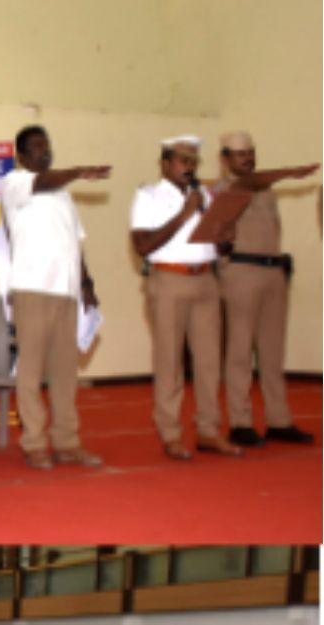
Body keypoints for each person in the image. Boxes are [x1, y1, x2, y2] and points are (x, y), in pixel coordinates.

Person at [1, 125, 110, 470]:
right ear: (21, 156)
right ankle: (34, 443)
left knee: (65, 372)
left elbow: (75, 241)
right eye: (36, 147)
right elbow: (43, 181)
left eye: (47, 146)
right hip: (33, 287)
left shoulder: (62, 193)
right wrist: (78, 171)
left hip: (67, 290)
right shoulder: (15, 182)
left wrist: (87, 284)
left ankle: (67, 442)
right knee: (31, 371)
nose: (44, 152)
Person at [130, 135, 239, 460]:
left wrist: (226, 239)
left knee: (209, 362)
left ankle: (209, 430)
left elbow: (219, 246)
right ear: (165, 164)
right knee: (170, 361)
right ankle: (171, 433)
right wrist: (184, 214)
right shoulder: (148, 195)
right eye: (182, 161)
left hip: (206, 280)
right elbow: (142, 245)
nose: (189, 167)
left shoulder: (206, 195)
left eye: (193, 161)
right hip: (169, 281)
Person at [214, 131, 319, 447]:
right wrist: (291, 172)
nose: (247, 158)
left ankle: (279, 420)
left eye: (251, 152)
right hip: (241, 271)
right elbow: (248, 183)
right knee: (240, 351)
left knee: (273, 352)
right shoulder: (224, 189)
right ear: (225, 159)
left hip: (273, 271)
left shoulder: (267, 192)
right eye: (240, 154)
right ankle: (240, 421)